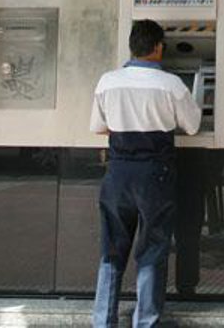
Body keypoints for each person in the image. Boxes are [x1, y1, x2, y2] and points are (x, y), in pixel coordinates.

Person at [90, 19, 202, 328]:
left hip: (118, 172)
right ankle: (146, 322)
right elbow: (193, 126)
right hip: (154, 174)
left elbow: (98, 126)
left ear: (132, 47)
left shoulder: (107, 82)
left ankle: (103, 322)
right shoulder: (172, 84)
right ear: (158, 47)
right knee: (152, 249)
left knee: (111, 250)